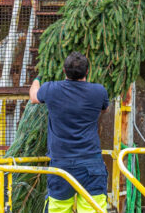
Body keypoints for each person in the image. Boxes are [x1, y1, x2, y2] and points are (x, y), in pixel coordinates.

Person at [29, 52, 110, 213]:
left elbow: (33, 97)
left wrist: (37, 79)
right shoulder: (99, 91)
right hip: (91, 164)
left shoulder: (51, 89)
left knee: (58, 209)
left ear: (64, 71)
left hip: (61, 164)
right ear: (87, 71)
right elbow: (104, 109)